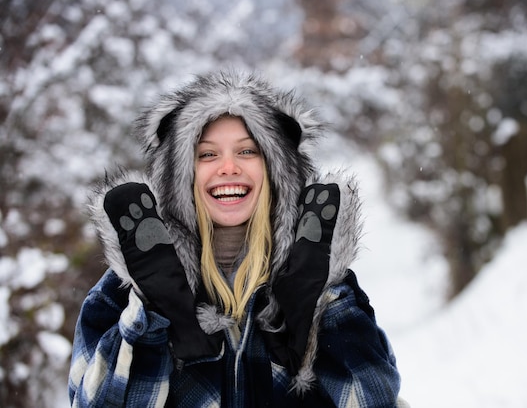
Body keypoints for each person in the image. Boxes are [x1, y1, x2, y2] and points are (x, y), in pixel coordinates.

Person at [68, 71, 405, 407]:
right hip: (152, 298)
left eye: (247, 152)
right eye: (207, 154)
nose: (228, 167)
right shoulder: (122, 290)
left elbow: (373, 399)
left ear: (277, 171)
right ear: (178, 176)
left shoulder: (323, 278)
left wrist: (316, 306)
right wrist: (152, 311)